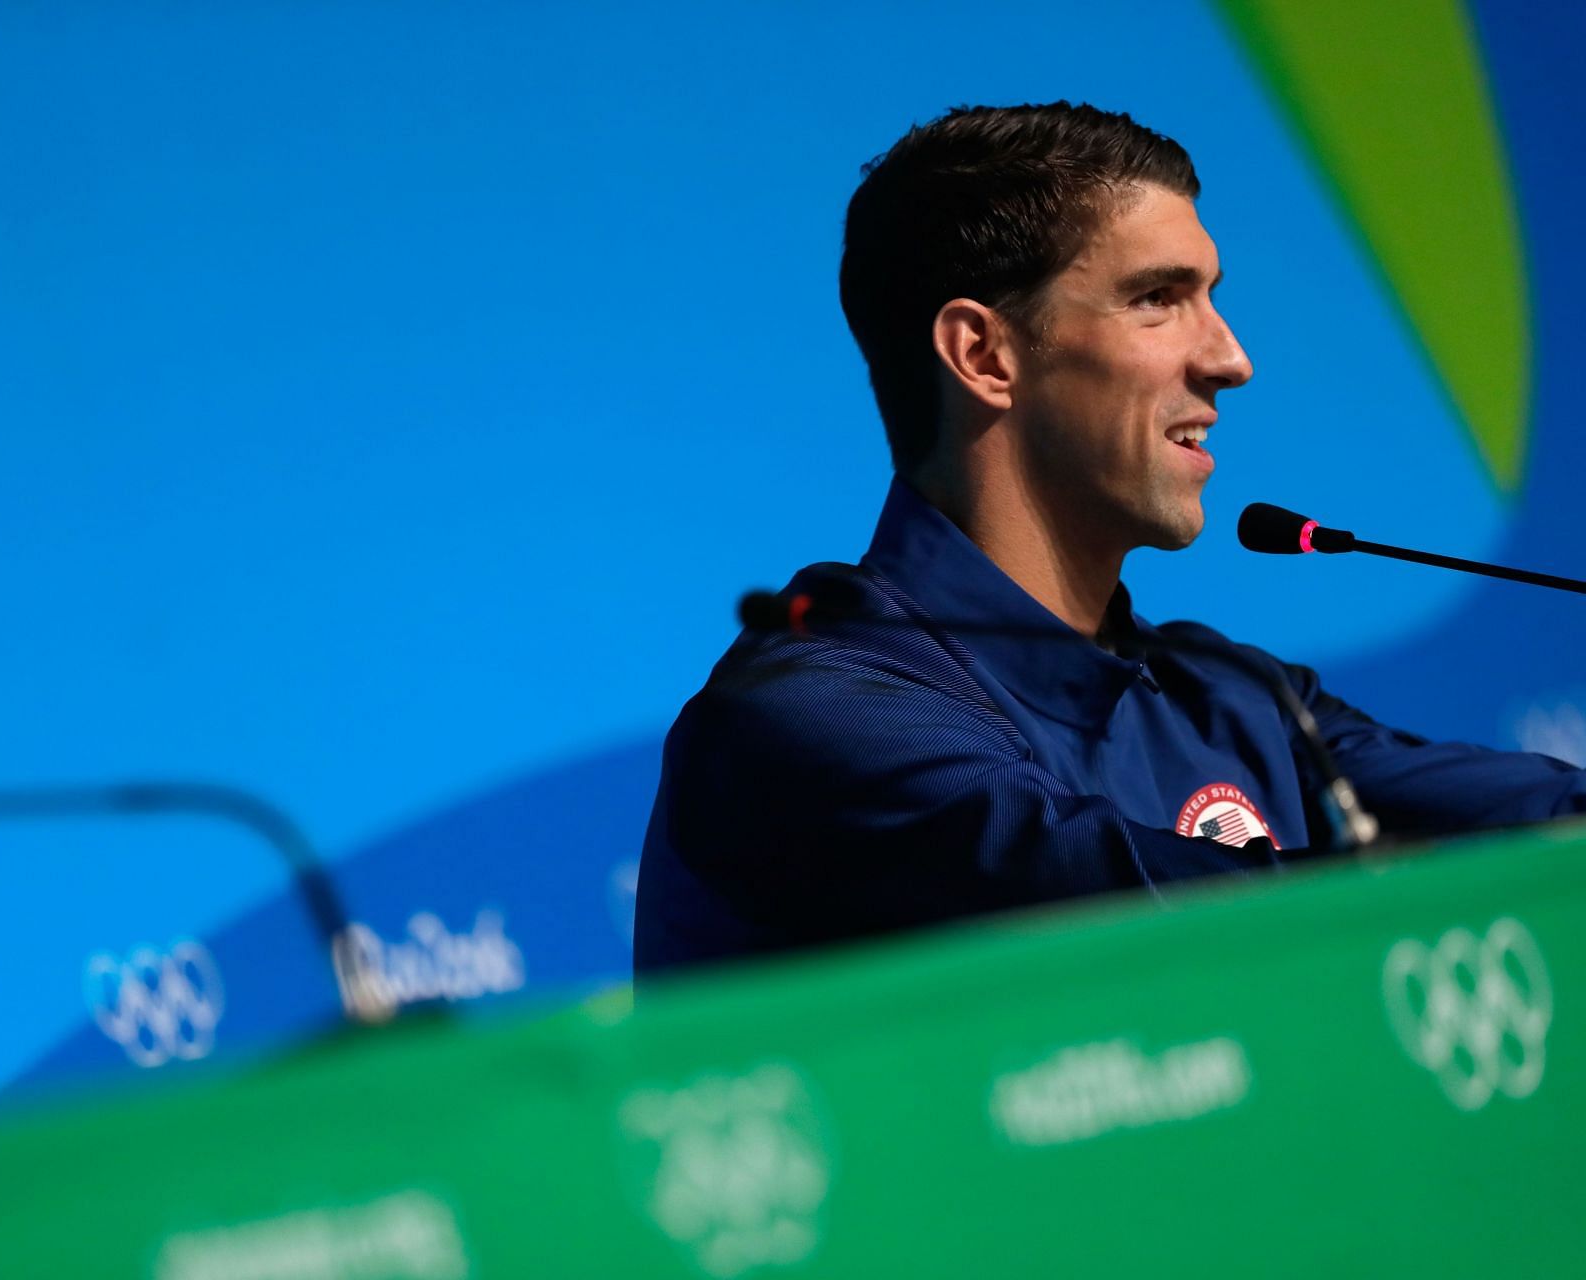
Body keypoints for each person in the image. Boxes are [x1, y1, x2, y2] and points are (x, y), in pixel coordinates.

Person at [633, 102, 1586, 976]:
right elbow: (1121, 906)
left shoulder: (1241, 700)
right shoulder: (815, 716)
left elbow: (1538, 816)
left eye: (1210, 296)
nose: (1229, 359)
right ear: (985, 356)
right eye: (1158, 299)